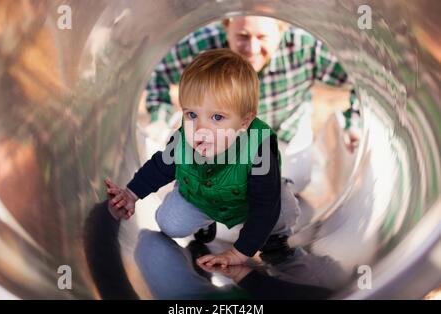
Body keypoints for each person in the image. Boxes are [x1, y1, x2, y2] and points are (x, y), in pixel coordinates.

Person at [105, 48, 300, 267]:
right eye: (191, 114)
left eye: (217, 117)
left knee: (282, 207)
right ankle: (204, 224)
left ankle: (274, 239)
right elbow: (160, 167)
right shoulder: (183, 140)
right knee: (168, 223)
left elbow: (265, 206)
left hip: (250, 203)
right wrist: (131, 193)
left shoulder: (258, 149)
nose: (200, 128)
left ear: (244, 122)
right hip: (201, 196)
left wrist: (239, 253)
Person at [144, 16, 361, 194]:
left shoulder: (305, 47)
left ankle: (312, 157)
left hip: (284, 127)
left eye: (262, 37)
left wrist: (354, 122)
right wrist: (159, 119)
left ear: (281, 30)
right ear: (227, 28)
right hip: (223, 134)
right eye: (243, 36)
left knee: (291, 184)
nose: (252, 48)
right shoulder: (203, 44)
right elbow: (159, 72)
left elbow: (362, 81)